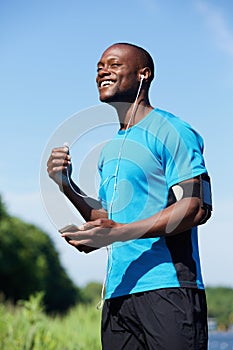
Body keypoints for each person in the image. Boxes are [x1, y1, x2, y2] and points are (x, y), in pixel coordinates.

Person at [47, 43, 212, 349]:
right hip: (117, 295)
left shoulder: (172, 130)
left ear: (143, 74)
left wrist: (119, 233)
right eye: (99, 67)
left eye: (113, 65)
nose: (102, 72)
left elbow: (196, 207)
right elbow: (109, 220)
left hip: (167, 289)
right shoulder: (110, 150)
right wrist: (66, 185)